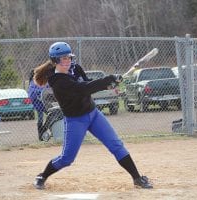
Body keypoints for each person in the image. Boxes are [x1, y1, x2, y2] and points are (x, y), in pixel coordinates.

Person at [32, 42, 153, 189]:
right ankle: (42, 176)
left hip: (93, 114)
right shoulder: (58, 82)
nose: (68, 61)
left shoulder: (75, 68)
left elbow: (88, 84)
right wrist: (108, 79)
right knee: (67, 159)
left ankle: (137, 178)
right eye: (63, 59)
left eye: (69, 57)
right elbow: (83, 89)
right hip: (76, 120)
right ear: (55, 61)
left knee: (116, 145)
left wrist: (110, 85)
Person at [28, 70, 48, 140]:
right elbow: (32, 94)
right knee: (40, 119)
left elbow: (47, 88)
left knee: (51, 115)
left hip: (45, 103)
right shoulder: (32, 83)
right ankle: (40, 135)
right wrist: (40, 92)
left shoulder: (42, 80)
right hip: (38, 104)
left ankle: (43, 130)